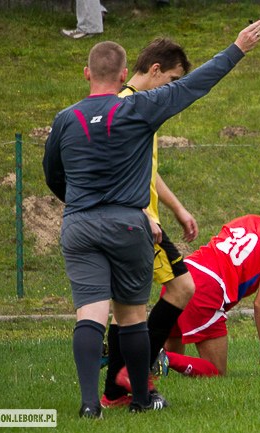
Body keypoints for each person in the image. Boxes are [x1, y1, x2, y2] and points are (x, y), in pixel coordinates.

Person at [43, 19, 260, 418]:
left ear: (86, 74)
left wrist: (79, 203)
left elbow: (52, 174)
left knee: (91, 315)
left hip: (79, 225)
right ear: (122, 76)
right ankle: (138, 396)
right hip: (129, 223)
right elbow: (194, 85)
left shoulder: (65, 119)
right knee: (133, 314)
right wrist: (237, 48)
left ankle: (90, 405)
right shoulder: (137, 107)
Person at [100, 38, 198, 409]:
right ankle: (133, 370)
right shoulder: (126, 108)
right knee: (181, 288)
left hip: (142, 218)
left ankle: (114, 392)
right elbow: (114, 171)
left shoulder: (139, 108)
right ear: (155, 70)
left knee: (124, 309)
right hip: (136, 221)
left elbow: (146, 170)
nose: (172, 89)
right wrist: (143, 213)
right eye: (171, 80)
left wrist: (178, 208)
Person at [163, 181, 260, 377]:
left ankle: (147, 359)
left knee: (170, 356)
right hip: (206, 288)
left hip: (183, 273)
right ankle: (155, 357)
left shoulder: (248, 219)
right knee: (216, 371)